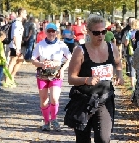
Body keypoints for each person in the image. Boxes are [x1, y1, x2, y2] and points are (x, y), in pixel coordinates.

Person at [64, 14, 124, 143]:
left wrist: (119, 75)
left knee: (103, 139)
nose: (101, 36)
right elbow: (71, 78)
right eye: (97, 33)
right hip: (83, 100)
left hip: (104, 98)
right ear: (88, 32)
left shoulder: (112, 48)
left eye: (104, 32)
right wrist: (86, 80)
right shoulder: (80, 51)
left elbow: (118, 64)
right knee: (83, 139)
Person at [31, 23, 71, 131]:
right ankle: (46, 122)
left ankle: (54, 119)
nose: (51, 33)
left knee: (54, 97)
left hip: (56, 74)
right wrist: (41, 64)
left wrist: (62, 69)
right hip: (43, 75)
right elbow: (33, 60)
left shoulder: (61, 45)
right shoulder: (40, 45)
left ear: (56, 32)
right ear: (46, 32)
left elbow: (69, 58)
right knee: (44, 99)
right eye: (49, 31)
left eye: (53, 31)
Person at [4, 8, 27, 87]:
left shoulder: (18, 22)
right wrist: (17, 48)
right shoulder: (17, 23)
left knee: (20, 60)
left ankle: (11, 77)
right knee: (12, 62)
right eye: (25, 13)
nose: (26, 15)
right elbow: (15, 36)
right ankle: (7, 80)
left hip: (17, 45)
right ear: (21, 13)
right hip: (15, 45)